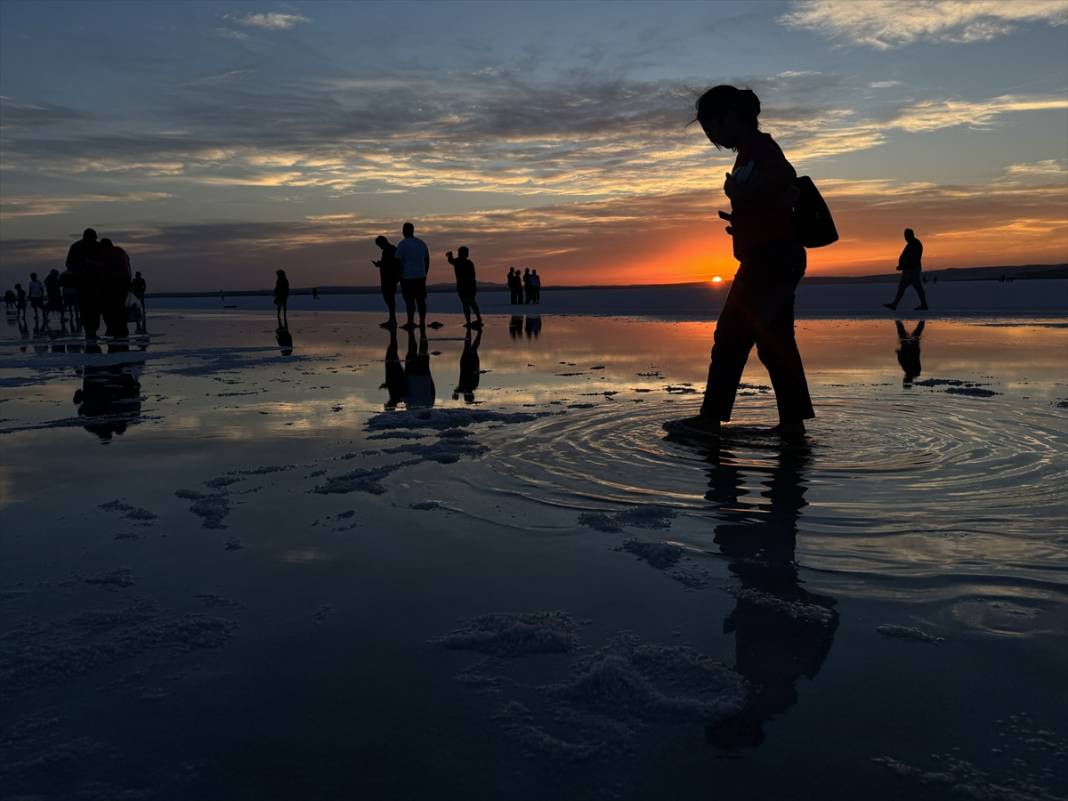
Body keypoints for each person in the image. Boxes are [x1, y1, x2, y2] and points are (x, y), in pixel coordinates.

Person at [669, 85, 814, 440]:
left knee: (731, 336)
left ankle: (710, 419)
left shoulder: (759, 147)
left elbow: (784, 176)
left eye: (712, 128)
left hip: (770, 260)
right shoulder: (751, 151)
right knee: (774, 341)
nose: (711, 137)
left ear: (732, 117)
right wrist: (744, 219)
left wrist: (744, 193)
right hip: (776, 256)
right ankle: (793, 426)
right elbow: (776, 196)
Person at [393, 222, 430, 329]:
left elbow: (397, 261)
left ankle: (410, 322)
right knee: (421, 300)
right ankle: (422, 321)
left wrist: (398, 276)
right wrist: (424, 272)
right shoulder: (421, 243)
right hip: (420, 277)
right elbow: (427, 260)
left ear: (404, 231)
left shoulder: (402, 244)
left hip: (407, 277)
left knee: (409, 300)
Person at [66, 228, 101, 338]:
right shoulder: (77, 247)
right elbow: (69, 264)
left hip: (92, 283)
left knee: (92, 308)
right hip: (84, 282)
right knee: (88, 308)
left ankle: (91, 331)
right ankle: (90, 331)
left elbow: (69, 264)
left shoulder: (96, 246)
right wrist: (82, 269)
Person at [883, 228, 928, 311]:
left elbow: (911, 257)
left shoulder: (914, 244)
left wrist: (903, 265)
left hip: (912, 270)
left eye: (906, 235)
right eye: (905, 235)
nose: (905, 237)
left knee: (914, 287)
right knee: (904, 287)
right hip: (909, 269)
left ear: (911, 235)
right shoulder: (911, 244)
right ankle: (895, 304)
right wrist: (901, 265)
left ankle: (923, 304)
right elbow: (906, 256)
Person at [98, 238, 132, 338]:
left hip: (111, 284)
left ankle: (111, 328)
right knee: (121, 308)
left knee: (108, 308)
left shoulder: (106, 254)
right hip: (123, 283)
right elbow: (128, 267)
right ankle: (123, 328)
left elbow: (103, 267)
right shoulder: (121, 251)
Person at [446, 246, 482, 328]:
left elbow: (450, 260)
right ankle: (477, 319)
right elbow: (473, 275)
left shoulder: (458, 262)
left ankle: (469, 322)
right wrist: (450, 255)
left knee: (466, 304)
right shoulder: (468, 263)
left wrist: (449, 255)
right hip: (470, 286)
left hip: (464, 286)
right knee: (472, 302)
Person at [372, 235, 401, 328]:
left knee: (390, 299)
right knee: (389, 299)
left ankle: (392, 320)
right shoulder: (389, 250)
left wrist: (380, 264)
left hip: (390, 278)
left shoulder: (392, 250)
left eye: (379, 245)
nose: (380, 247)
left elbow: (394, 264)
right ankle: (392, 319)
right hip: (387, 278)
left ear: (383, 242)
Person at [453, 327, 482, 402]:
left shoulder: (471, 387)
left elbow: (455, 392)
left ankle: (477, 332)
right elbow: (455, 392)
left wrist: (456, 395)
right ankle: (473, 331)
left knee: (472, 347)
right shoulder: (463, 388)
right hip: (468, 364)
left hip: (470, 364)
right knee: (470, 347)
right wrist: (456, 394)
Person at [895, 320, 925, 386]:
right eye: (905, 379)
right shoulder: (912, 371)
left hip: (910, 349)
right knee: (914, 334)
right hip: (911, 349)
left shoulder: (909, 370)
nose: (904, 377)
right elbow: (903, 360)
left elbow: (901, 360)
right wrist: (899, 353)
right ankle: (922, 319)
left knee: (905, 334)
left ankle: (897, 320)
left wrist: (899, 353)